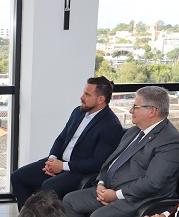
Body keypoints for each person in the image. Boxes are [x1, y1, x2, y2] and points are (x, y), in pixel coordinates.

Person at [62, 86, 179, 217]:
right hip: (110, 190)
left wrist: (116, 195)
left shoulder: (170, 141)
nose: (130, 110)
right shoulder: (134, 131)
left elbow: (153, 183)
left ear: (152, 111)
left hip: (140, 199)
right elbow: (110, 161)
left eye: (135, 106)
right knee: (70, 201)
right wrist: (101, 182)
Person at [10, 76, 123, 209]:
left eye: (87, 94)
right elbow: (61, 138)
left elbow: (97, 163)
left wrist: (63, 166)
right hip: (59, 162)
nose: (82, 97)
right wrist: (52, 160)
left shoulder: (111, 125)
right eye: (83, 92)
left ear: (101, 99)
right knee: (17, 177)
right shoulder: (78, 112)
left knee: (49, 186)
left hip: (79, 171)